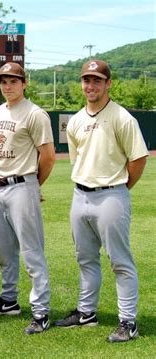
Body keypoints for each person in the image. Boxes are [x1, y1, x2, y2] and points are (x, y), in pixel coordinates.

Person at [55, 60, 148, 343]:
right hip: (80, 193)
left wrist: (119, 188)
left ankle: (128, 322)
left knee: (120, 261)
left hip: (111, 194)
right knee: (85, 259)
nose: (91, 86)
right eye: (86, 80)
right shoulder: (76, 120)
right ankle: (86, 313)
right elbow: (78, 159)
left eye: (97, 80)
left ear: (108, 83)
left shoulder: (122, 117)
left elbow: (138, 159)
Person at [0, 62, 55, 335]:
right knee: (6, 251)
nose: (8, 86)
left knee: (31, 251)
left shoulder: (35, 114)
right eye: (3, 81)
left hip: (22, 183)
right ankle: (9, 300)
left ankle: (41, 311)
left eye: (13, 81)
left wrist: (32, 184)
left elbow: (48, 156)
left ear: (24, 84)